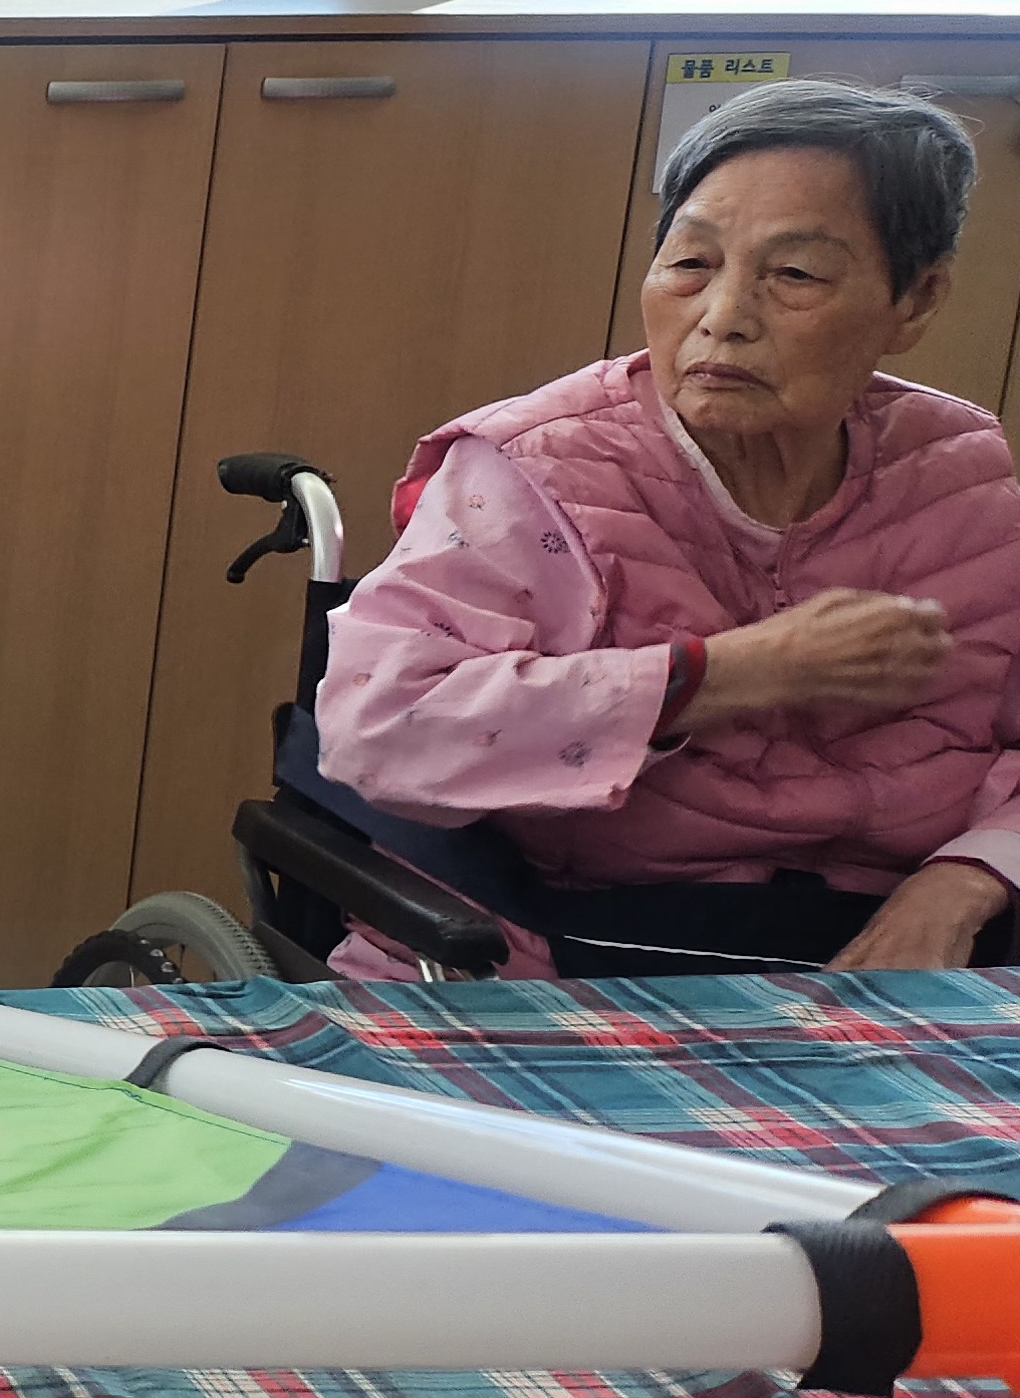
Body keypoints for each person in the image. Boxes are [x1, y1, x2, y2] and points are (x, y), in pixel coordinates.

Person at [319, 79, 1020, 976]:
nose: (722, 319)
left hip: (890, 959)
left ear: (915, 302)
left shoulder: (958, 473)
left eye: (795, 275)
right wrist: (721, 676)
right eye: (691, 263)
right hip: (563, 955)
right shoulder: (537, 472)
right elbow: (380, 728)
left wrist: (965, 881)